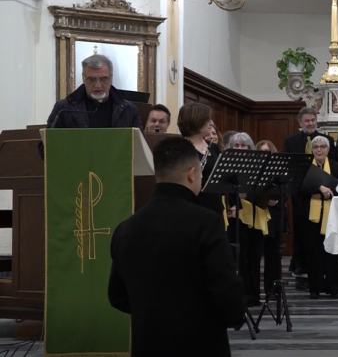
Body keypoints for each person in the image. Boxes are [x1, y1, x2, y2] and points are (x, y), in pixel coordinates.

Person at [108, 137, 244, 356]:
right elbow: (226, 291)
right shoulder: (206, 223)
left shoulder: (126, 229)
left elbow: (117, 296)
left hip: (148, 343)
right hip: (201, 343)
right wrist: (234, 315)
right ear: (192, 173)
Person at [283, 107, 335, 275]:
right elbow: (288, 166)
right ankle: (299, 263)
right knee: (300, 228)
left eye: (313, 120)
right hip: (300, 192)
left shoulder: (327, 140)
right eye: (307, 120)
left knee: (321, 230)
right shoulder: (291, 141)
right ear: (300, 122)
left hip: (323, 192)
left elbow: (332, 165)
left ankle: (322, 265)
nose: (310, 123)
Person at [223, 132, 267, 306]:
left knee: (254, 256)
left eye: (244, 146)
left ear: (250, 148)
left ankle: (254, 294)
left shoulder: (258, 166)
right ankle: (239, 294)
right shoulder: (226, 166)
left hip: (254, 215)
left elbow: (263, 191)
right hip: (234, 217)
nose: (240, 148)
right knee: (238, 257)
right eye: (237, 145)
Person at [301, 136, 338, 298]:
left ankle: (334, 286)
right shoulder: (306, 167)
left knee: (332, 251)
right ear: (311, 150)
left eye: (323, 146)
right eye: (316, 147)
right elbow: (299, 188)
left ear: (328, 149)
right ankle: (315, 288)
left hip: (332, 214)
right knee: (313, 252)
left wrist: (329, 190)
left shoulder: (336, 166)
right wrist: (319, 188)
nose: (319, 149)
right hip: (310, 216)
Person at [47, 54, 141, 128]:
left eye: (103, 79)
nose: (98, 85)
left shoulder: (128, 110)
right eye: (92, 79)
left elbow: (138, 147)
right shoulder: (64, 109)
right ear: (84, 79)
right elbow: (46, 146)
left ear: (111, 78)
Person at [177, 103, 221, 215]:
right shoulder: (181, 148)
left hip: (215, 207)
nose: (211, 123)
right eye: (207, 120)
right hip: (193, 208)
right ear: (197, 121)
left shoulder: (214, 147)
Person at [256, 139, 287, 299]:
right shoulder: (255, 170)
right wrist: (264, 199)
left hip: (275, 216)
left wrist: (275, 199)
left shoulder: (278, 170)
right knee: (258, 253)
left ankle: (273, 288)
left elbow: (286, 190)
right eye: (261, 152)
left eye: (267, 152)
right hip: (258, 214)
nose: (265, 156)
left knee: (274, 255)